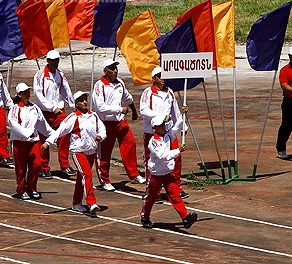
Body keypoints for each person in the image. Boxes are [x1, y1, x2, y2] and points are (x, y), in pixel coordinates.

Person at [43, 91, 106, 216]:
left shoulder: (93, 115)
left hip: (91, 150)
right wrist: (48, 142)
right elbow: (60, 130)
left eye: (85, 100)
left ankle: (76, 203)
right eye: (81, 100)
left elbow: (102, 128)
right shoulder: (73, 118)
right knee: (87, 175)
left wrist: (101, 136)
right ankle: (91, 202)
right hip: (78, 151)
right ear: (76, 103)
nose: (85, 102)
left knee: (81, 177)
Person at [92, 59, 145, 191]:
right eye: (112, 68)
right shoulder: (99, 86)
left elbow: (128, 98)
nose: (115, 71)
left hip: (120, 122)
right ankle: (105, 180)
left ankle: (133, 174)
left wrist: (134, 110)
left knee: (130, 143)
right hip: (105, 123)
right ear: (105, 71)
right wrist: (120, 109)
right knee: (104, 153)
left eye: (115, 68)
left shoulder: (119, 83)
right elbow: (101, 107)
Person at [139, 116, 198, 230]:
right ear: (154, 128)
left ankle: (185, 218)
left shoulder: (167, 134)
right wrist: (178, 150)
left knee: (175, 194)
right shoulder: (154, 142)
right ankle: (145, 217)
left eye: (163, 124)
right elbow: (162, 156)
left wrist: (182, 114)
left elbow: (177, 127)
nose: (163, 127)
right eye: (160, 125)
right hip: (156, 174)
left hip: (167, 172)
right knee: (150, 197)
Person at [139, 67, 186, 194]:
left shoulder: (169, 92)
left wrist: (182, 126)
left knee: (176, 157)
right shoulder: (148, 93)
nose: (163, 78)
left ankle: (176, 187)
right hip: (152, 131)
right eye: (159, 76)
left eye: (164, 76)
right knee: (151, 160)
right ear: (153, 79)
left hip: (168, 131)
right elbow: (143, 110)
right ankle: (154, 191)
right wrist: (159, 117)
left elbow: (175, 110)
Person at [33, 50, 75, 178]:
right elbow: (38, 95)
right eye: (53, 60)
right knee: (43, 139)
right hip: (44, 112)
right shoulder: (40, 76)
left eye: (57, 60)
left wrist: (73, 105)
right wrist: (51, 108)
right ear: (48, 61)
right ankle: (44, 166)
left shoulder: (60, 74)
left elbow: (65, 89)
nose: (55, 63)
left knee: (64, 135)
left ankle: (65, 164)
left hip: (59, 111)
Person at [8, 82, 53, 200]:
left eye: (28, 91)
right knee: (20, 167)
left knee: (36, 164)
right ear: (19, 95)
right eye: (24, 92)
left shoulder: (35, 108)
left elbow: (42, 123)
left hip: (33, 142)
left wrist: (52, 134)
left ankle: (32, 187)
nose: (28, 94)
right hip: (19, 141)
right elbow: (12, 123)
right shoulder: (15, 108)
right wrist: (26, 133)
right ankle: (21, 189)